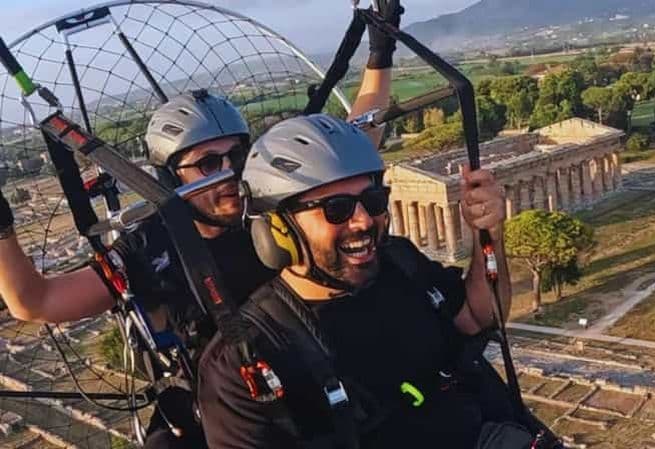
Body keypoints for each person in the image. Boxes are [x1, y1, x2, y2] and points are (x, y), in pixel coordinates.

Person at [0, 1, 404, 446]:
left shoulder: (272, 203)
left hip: (322, 369)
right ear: (171, 176)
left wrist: (379, 52)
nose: (228, 172)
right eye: (208, 163)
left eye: (236, 155)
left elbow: (356, 141)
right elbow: (35, 301)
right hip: (225, 406)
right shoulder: (149, 247)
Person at [196, 113, 559, 449]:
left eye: (372, 200)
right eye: (336, 208)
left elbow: (479, 317)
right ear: (278, 229)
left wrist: (489, 236)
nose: (364, 221)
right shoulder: (243, 362)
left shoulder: (399, 263)